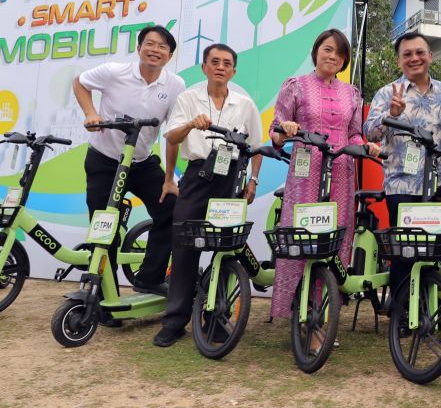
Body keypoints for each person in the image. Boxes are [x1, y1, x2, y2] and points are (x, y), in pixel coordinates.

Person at [153, 43, 263, 347]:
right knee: (185, 248)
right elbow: (171, 138)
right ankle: (174, 322)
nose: (220, 67)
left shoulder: (244, 104)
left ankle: (216, 320)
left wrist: (253, 180)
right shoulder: (189, 99)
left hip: (230, 181)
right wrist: (191, 123)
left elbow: (255, 146)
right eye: (214, 62)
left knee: (225, 249)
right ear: (204, 67)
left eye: (227, 63)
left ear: (233, 71)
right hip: (197, 177)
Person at [269, 29, 379, 326]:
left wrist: (364, 144)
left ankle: (321, 314)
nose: (333, 56)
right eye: (328, 49)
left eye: (340, 53)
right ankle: (296, 309)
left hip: (341, 171)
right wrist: (286, 128)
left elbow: (354, 132)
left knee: (333, 239)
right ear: (316, 51)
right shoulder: (296, 86)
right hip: (306, 172)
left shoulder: (351, 93)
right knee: (301, 236)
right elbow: (276, 131)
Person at [73, 25, 185, 306]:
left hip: (142, 161)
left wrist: (170, 178)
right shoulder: (114, 72)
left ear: (169, 55)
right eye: (150, 44)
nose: (155, 50)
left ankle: (150, 276)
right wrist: (91, 113)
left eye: (162, 47)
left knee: (171, 209)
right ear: (138, 48)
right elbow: (80, 81)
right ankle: (104, 295)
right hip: (105, 159)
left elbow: (172, 133)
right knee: (104, 225)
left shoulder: (175, 85)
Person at [363, 31, 441, 293]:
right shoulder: (387, 93)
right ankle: (402, 314)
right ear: (398, 60)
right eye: (407, 54)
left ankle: (433, 310)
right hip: (402, 187)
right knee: (405, 253)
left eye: (419, 52)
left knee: (436, 252)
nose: (414, 58)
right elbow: (370, 132)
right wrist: (389, 115)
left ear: (429, 55)